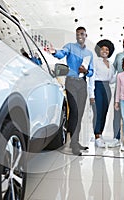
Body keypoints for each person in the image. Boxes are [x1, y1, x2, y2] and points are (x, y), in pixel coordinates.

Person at [47, 26, 94, 155]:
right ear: (76, 35)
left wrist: (86, 71)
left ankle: (76, 141)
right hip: (71, 83)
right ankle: (73, 145)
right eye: (78, 34)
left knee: (79, 114)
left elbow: (91, 72)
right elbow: (61, 53)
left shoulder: (89, 54)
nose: (80, 36)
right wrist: (54, 52)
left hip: (82, 84)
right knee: (74, 112)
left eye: (82, 34)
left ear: (86, 36)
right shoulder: (70, 47)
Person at [88, 39, 115, 147]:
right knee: (98, 112)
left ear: (109, 51)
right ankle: (97, 136)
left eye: (107, 49)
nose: (104, 51)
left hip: (107, 88)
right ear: (99, 50)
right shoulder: (95, 61)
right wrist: (91, 94)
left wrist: (120, 76)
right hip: (97, 86)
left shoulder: (111, 64)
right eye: (102, 49)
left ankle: (100, 133)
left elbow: (112, 80)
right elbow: (91, 78)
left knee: (104, 112)